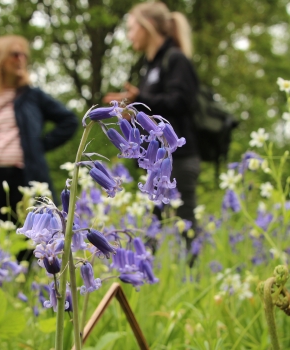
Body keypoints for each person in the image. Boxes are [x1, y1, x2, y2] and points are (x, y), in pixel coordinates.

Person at [104, 2, 200, 248]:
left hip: (179, 157)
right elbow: (155, 109)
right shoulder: (152, 66)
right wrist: (131, 114)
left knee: (184, 225)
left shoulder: (175, 59)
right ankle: (149, 275)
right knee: (153, 228)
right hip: (160, 159)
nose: (129, 35)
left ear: (147, 26)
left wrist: (140, 99)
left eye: (131, 27)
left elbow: (182, 101)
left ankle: (189, 274)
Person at [0, 34, 78, 230]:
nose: (21, 60)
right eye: (15, 55)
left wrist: (39, 145)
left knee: (33, 235)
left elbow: (69, 120)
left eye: (24, 55)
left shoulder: (33, 95)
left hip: (26, 175)